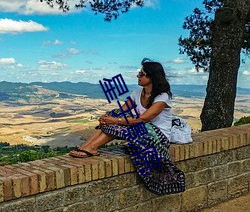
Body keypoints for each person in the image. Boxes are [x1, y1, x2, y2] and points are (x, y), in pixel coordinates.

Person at [69, 58, 185, 194]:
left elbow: (144, 118)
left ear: (152, 77)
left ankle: (92, 147)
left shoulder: (162, 96)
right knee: (113, 116)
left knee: (118, 123)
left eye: (142, 74)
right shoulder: (137, 93)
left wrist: (115, 120)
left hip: (158, 137)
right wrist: (107, 117)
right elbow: (123, 110)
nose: (138, 76)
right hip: (143, 130)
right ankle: (87, 146)